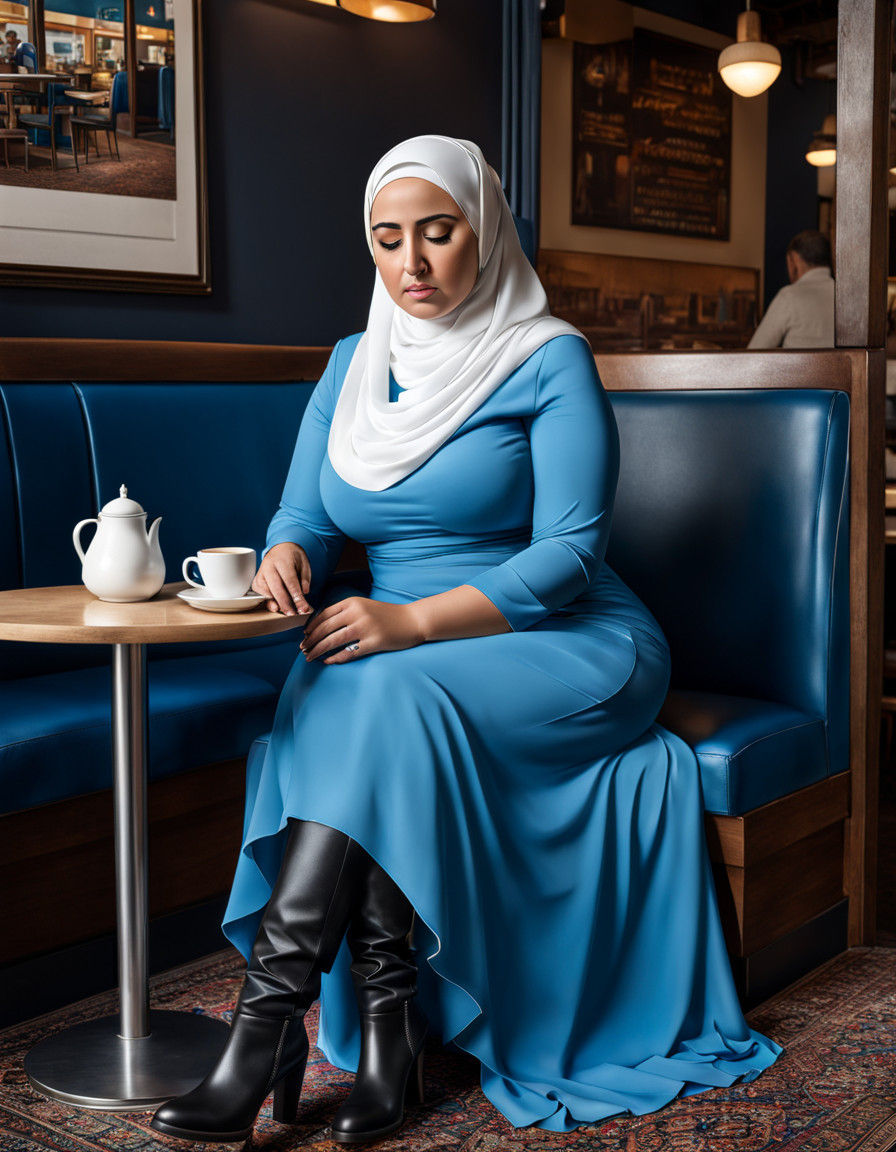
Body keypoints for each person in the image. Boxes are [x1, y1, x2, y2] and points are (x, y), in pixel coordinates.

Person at [151, 135, 780, 1144]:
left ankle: (262, 1027)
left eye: (436, 233)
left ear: (482, 231)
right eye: (387, 239)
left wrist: (406, 622)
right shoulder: (355, 363)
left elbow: (569, 556)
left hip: (566, 637)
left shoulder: (547, 356)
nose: (411, 263)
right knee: (350, 689)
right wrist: (285, 554)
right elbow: (304, 513)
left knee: (375, 690)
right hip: (402, 646)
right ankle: (383, 1042)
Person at [748, 229, 835, 349]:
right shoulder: (844, 298)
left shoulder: (789, 296)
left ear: (794, 259)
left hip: (798, 368)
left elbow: (756, 350)